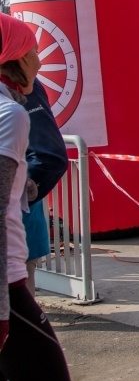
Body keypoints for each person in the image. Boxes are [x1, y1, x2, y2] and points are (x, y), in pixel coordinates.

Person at [0, 12, 75, 381]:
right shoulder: (10, 112)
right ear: (12, 57)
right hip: (6, 280)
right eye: (32, 52)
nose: (41, 61)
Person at [22, 78, 69, 295]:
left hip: (17, 210)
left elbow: (48, 155)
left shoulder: (21, 82)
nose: (39, 61)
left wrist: (23, 191)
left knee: (20, 277)